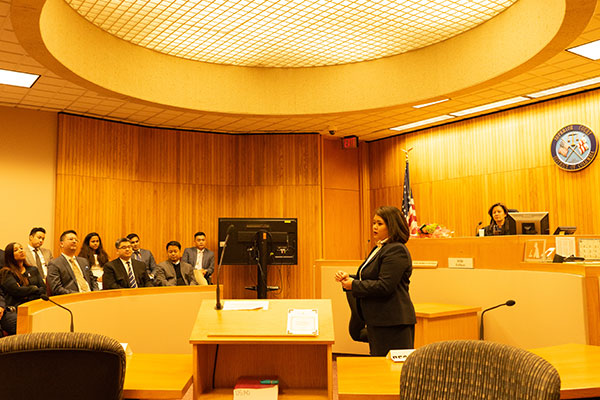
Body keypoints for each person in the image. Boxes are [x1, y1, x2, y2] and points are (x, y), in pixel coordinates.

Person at [335, 206, 416, 356]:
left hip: (393, 323)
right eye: (374, 223)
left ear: (392, 226)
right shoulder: (380, 248)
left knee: (391, 371)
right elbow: (369, 278)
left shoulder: (396, 250)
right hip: (378, 320)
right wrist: (350, 278)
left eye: (379, 223)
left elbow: (385, 286)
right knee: (379, 366)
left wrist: (353, 285)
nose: (374, 227)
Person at [46, 230, 98, 295]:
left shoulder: (84, 261)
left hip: (90, 296)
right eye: (71, 239)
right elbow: (57, 288)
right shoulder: (54, 264)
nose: (74, 241)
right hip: (72, 298)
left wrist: (96, 292)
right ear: (61, 244)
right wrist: (79, 295)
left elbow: (92, 280)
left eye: (76, 240)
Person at [0, 242, 45, 309]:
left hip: (35, 304)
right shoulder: (6, 272)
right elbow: (17, 291)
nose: (21, 251)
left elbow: (43, 289)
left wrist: (27, 294)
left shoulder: (33, 269)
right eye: (16, 250)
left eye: (21, 248)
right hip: (18, 308)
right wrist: (34, 288)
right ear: (10, 255)